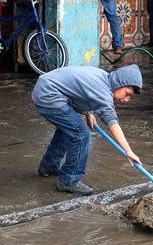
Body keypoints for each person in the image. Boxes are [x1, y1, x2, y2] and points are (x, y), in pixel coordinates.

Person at [32, 64, 143, 196]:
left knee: (69, 129)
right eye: (127, 94)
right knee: (81, 134)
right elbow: (112, 122)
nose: (126, 99)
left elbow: (82, 91)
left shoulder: (103, 77)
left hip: (47, 87)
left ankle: (49, 166)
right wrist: (128, 151)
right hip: (49, 95)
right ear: (120, 83)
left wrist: (88, 113)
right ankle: (69, 180)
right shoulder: (104, 92)